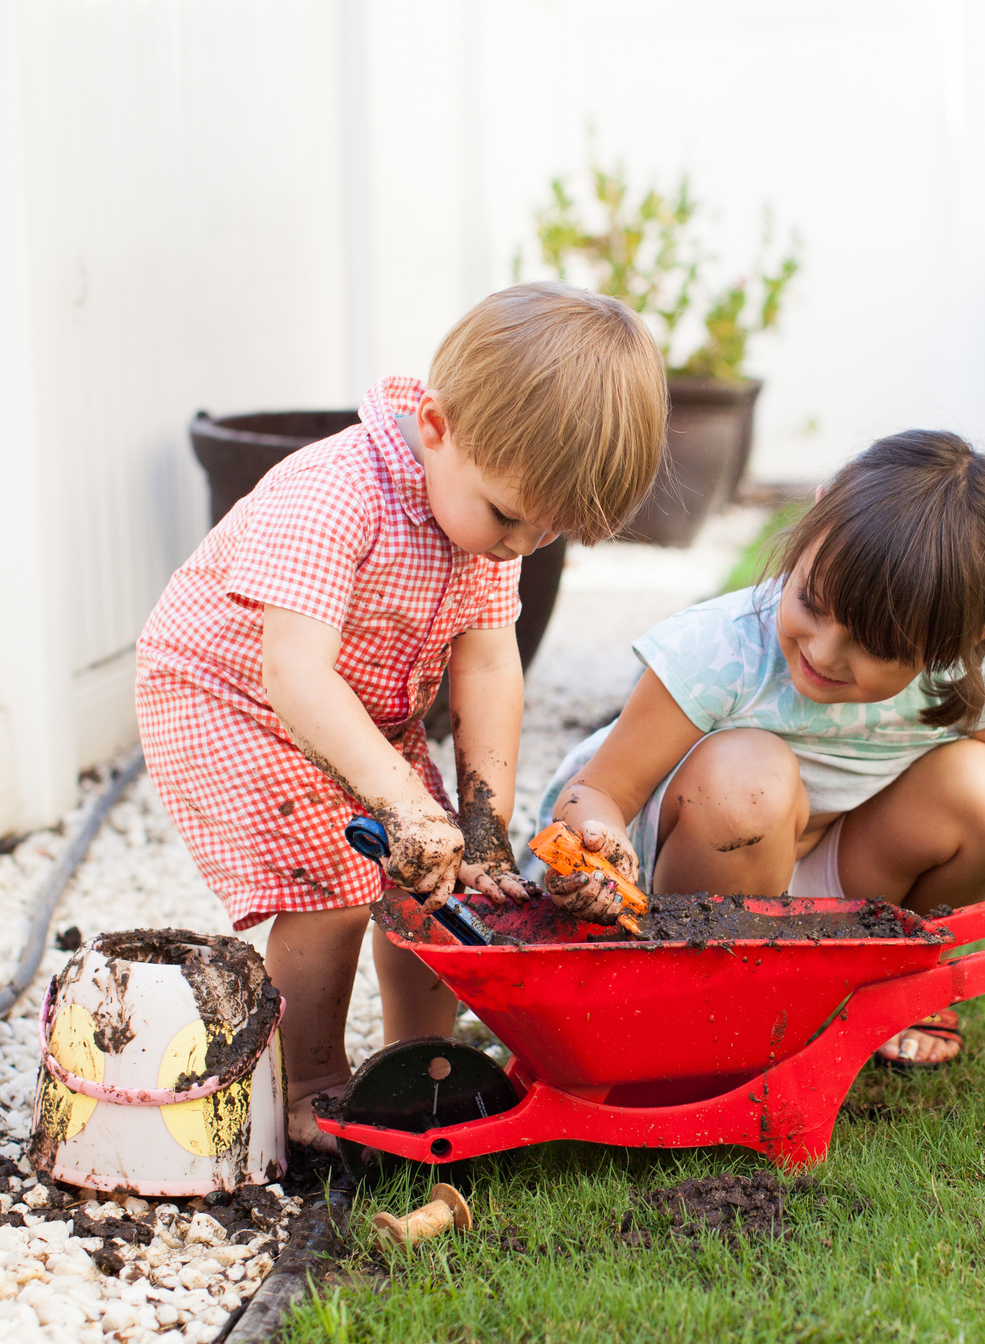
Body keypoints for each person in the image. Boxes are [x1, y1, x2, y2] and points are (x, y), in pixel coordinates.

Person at [137, 283, 666, 1143]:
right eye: (508, 518)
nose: (518, 548)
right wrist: (409, 804)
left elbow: (491, 667)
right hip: (232, 697)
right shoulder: (332, 493)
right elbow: (296, 676)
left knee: (438, 878)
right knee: (332, 888)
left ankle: (421, 1062)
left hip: (363, 715)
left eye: (546, 535)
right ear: (435, 428)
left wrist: (480, 827)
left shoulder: (487, 515)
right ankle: (304, 1085)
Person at [539, 429, 985, 1071]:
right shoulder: (720, 651)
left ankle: (888, 978)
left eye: (875, 646)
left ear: (962, 641)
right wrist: (595, 847)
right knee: (749, 778)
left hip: (821, 884)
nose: (821, 652)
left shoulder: (956, 682)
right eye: (811, 603)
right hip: (670, 886)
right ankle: (709, 999)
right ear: (813, 517)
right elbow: (596, 792)